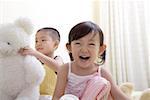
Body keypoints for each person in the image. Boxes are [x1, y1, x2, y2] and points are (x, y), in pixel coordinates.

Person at [52, 21, 130, 100]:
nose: (84, 50)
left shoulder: (102, 72)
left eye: (91, 44)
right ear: (69, 47)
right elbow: (57, 96)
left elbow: (118, 96)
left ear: (100, 49)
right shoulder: (65, 69)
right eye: (78, 43)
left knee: (101, 82)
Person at [19, 27, 64, 99]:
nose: (38, 43)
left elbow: (60, 68)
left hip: (50, 97)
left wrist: (36, 54)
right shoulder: (34, 60)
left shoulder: (57, 59)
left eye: (43, 40)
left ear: (55, 44)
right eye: (36, 41)